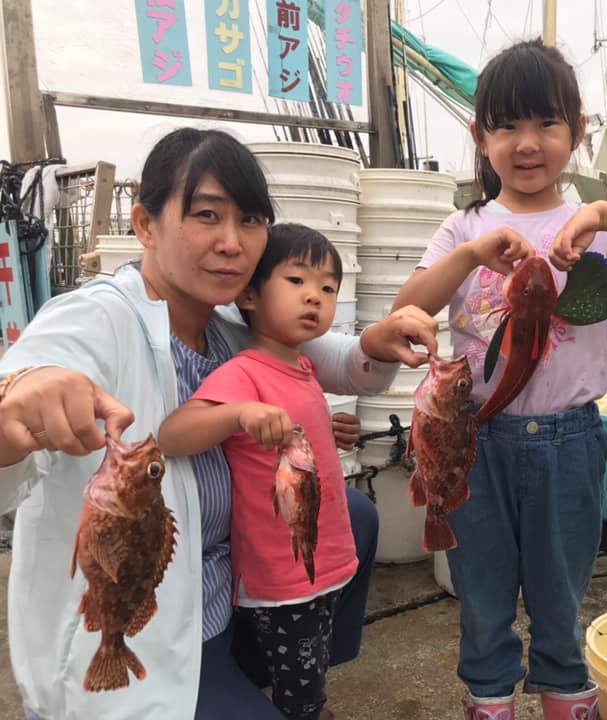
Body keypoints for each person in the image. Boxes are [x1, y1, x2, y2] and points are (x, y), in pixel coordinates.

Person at [0, 128, 439, 720]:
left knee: (355, 514)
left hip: (228, 592)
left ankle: (289, 677)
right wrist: (21, 394)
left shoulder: (226, 323)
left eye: (252, 221)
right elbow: (35, 369)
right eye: (207, 215)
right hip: (149, 623)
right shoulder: (97, 315)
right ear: (145, 224)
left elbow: (325, 355)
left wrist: (378, 344)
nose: (233, 244)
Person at [392, 39, 607, 720]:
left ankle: (567, 698)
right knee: (482, 598)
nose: (527, 143)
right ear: (479, 138)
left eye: (545, 124)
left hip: (571, 442)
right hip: (474, 439)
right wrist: (473, 253)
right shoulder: (463, 225)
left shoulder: (599, 227)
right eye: (506, 126)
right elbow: (406, 307)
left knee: (560, 598)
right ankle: (491, 701)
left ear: (578, 132)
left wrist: (600, 213)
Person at [158, 223, 358, 720]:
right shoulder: (242, 373)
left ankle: (309, 703)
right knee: (297, 678)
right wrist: (237, 414)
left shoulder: (302, 367)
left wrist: (326, 430)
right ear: (248, 293)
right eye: (296, 282)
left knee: (310, 661)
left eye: (328, 288)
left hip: (322, 561)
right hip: (281, 578)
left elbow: (284, 441)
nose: (314, 297)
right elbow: (173, 434)